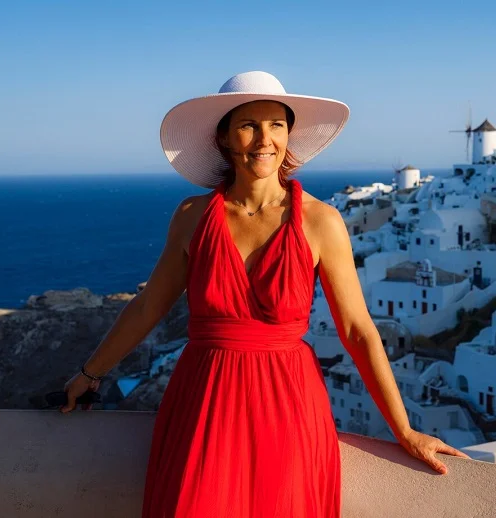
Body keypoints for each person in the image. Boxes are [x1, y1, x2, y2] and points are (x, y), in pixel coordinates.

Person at [60, 71, 469, 517]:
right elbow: (147, 307)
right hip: (205, 402)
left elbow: (357, 330)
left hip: (289, 406)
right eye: (248, 124)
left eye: (276, 124)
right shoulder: (192, 216)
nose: (264, 139)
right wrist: (90, 373)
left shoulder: (321, 221)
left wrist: (404, 430)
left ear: (289, 134)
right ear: (224, 138)